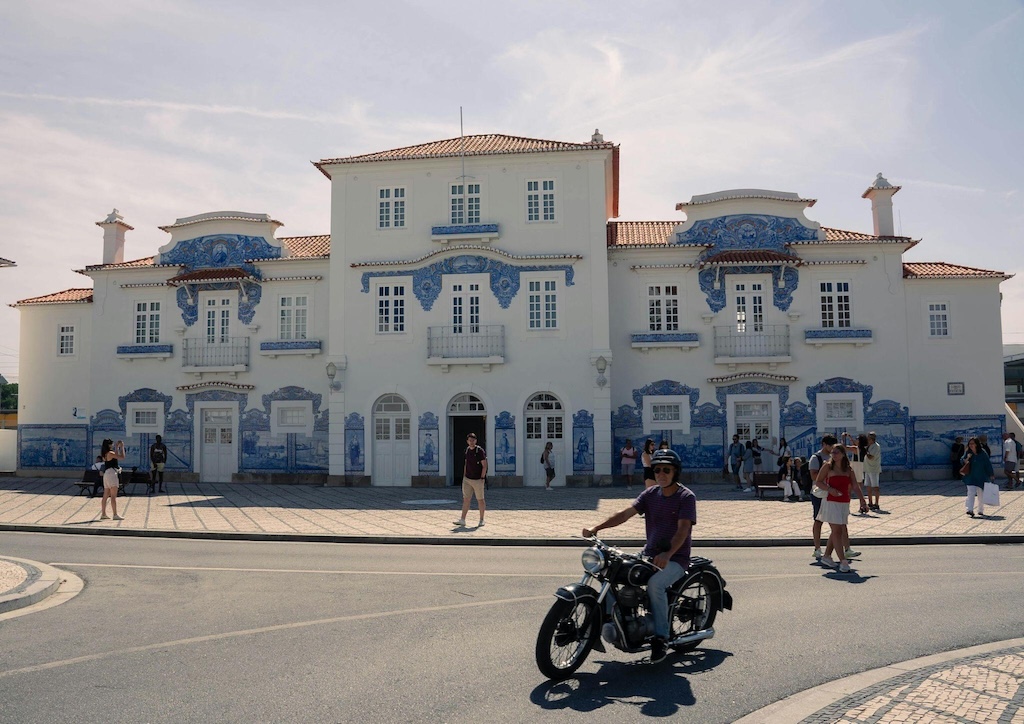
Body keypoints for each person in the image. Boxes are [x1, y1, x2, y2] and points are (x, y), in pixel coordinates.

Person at [581, 449, 696, 665]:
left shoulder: (686, 497)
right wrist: (597, 528)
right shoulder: (651, 494)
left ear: (675, 472)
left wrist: (668, 553)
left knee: (655, 585)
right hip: (649, 554)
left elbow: (683, 530)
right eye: (657, 469)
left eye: (666, 470)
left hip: (675, 559)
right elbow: (625, 514)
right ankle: (606, 625)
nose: (661, 474)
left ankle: (661, 638)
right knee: (611, 572)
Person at [814, 443, 867, 573]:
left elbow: (855, 486)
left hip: (844, 502)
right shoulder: (827, 466)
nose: (834, 455)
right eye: (833, 452)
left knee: (837, 530)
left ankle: (827, 556)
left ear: (843, 454)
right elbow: (818, 482)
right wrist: (830, 489)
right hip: (831, 501)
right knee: (837, 530)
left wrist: (862, 501)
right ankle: (843, 561)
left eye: (837, 452)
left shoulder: (848, 469)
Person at [807, 434, 836, 560]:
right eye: (830, 446)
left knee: (835, 522)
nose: (832, 448)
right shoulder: (816, 458)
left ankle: (843, 548)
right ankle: (817, 548)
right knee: (818, 520)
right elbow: (814, 476)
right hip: (819, 492)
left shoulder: (835, 456)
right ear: (824, 444)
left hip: (832, 492)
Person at [454, 433, 487, 527]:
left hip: (477, 479)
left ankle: (481, 519)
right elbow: (466, 463)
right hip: (467, 479)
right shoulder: (467, 450)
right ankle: (462, 519)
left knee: (480, 499)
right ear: (467, 441)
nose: (471, 442)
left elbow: (484, 465)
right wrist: (464, 476)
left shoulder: (479, 451)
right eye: (469, 440)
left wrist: (482, 478)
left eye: (473, 440)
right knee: (466, 499)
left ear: (475, 441)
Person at [961, 436, 994, 517]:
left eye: (972, 444)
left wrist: (991, 474)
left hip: (981, 476)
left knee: (980, 494)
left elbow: (987, 464)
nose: (971, 445)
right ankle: (970, 509)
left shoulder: (982, 453)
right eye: (969, 444)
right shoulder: (968, 452)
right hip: (970, 476)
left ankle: (980, 510)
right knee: (971, 493)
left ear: (976, 444)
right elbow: (962, 460)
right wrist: (966, 458)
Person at [99, 438, 125, 521]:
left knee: (105, 495)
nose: (113, 445)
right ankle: (115, 514)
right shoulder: (110, 453)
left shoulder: (105, 454)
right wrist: (122, 447)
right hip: (112, 474)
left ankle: (103, 513)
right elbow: (122, 457)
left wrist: (117, 448)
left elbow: (115, 457)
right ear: (109, 445)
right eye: (112, 444)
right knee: (113, 496)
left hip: (106, 474)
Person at [862, 432, 882, 511]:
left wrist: (864, 451)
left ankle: (876, 503)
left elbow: (870, 457)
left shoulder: (876, 447)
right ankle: (870, 502)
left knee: (875, 487)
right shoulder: (869, 446)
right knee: (868, 486)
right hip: (867, 469)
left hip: (873, 469)